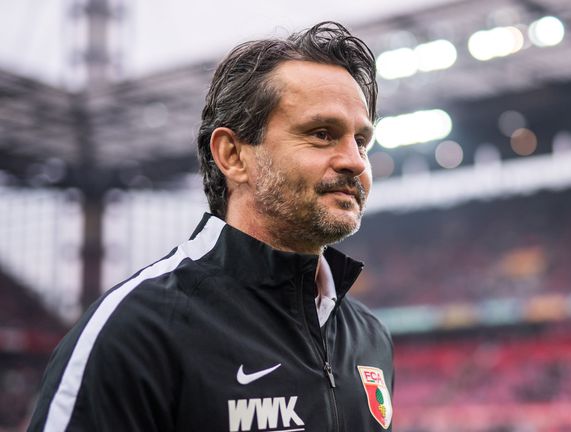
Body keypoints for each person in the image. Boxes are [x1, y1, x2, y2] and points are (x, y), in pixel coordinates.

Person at [28, 21, 394, 432]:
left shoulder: (369, 336)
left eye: (361, 141)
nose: (356, 161)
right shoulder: (135, 330)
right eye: (322, 134)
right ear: (233, 155)